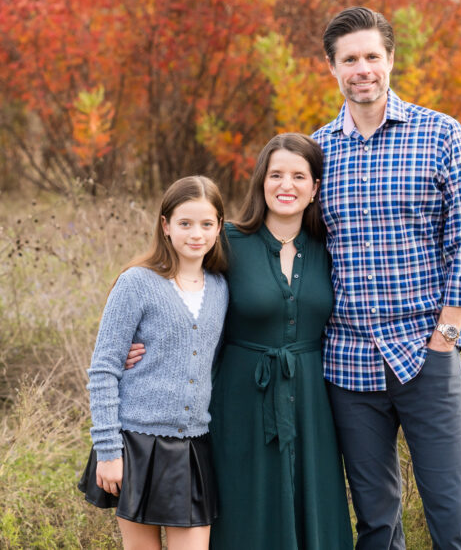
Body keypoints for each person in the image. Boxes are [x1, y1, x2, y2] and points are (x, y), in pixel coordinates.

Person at [313, 6, 461, 549]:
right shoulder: (317, 152)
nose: (362, 70)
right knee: (375, 522)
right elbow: (286, 248)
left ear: (390, 59)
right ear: (332, 68)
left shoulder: (440, 134)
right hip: (347, 363)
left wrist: (446, 335)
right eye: (349, 60)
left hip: (425, 352)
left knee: (452, 514)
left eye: (372, 56)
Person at [124, 134, 353, 549]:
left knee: (311, 504)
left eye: (299, 176)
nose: (286, 185)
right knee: (244, 508)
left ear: (315, 187)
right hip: (239, 400)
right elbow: (174, 286)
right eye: (276, 174)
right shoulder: (227, 241)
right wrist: (140, 344)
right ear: (261, 181)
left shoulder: (332, 246)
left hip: (312, 401)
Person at [86, 176, 230, 550]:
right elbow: (103, 369)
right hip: (136, 443)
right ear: (165, 226)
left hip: (193, 444)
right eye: (185, 223)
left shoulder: (221, 287)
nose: (196, 234)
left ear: (219, 227)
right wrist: (108, 452)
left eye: (206, 223)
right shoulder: (137, 282)